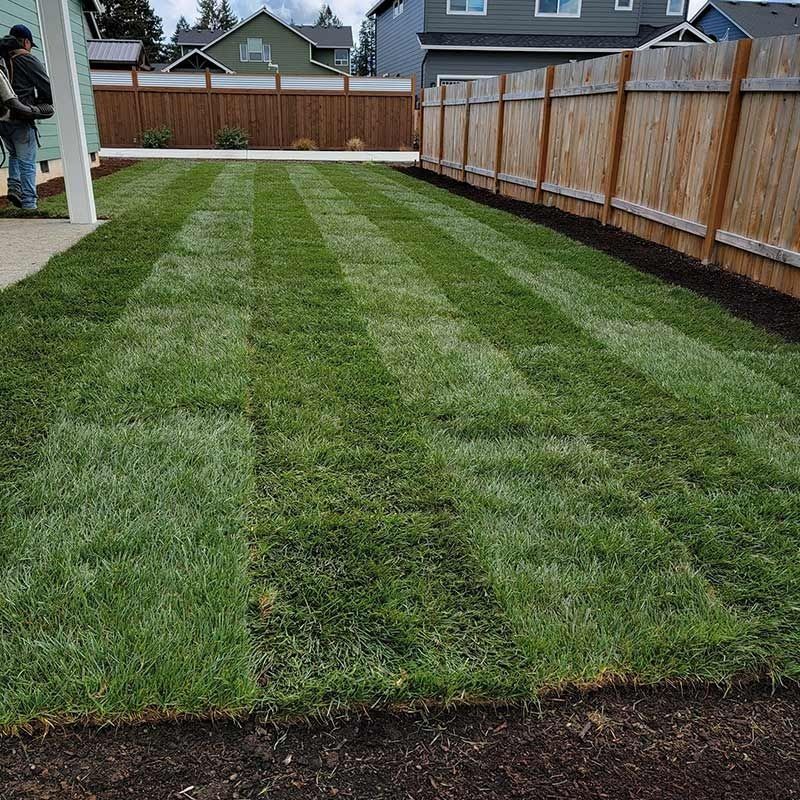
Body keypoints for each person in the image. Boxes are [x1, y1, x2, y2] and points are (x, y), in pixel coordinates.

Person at [0, 24, 52, 210]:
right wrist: (37, 105)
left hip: (2, 119)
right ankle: (29, 203)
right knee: (27, 162)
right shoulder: (27, 59)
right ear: (27, 42)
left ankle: (14, 186)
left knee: (14, 153)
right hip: (21, 117)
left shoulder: (2, 58)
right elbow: (48, 90)